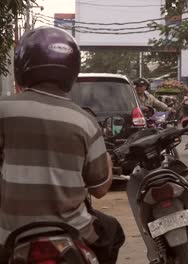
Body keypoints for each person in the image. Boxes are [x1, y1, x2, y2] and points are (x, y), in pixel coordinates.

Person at [0, 27, 125, 263]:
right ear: (72, 71)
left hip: (7, 234)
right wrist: (107, 163)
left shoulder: (4, 110)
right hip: (72, 231)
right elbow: (99, 189)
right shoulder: (85, 121)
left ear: (21, 67)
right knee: (113, 232)